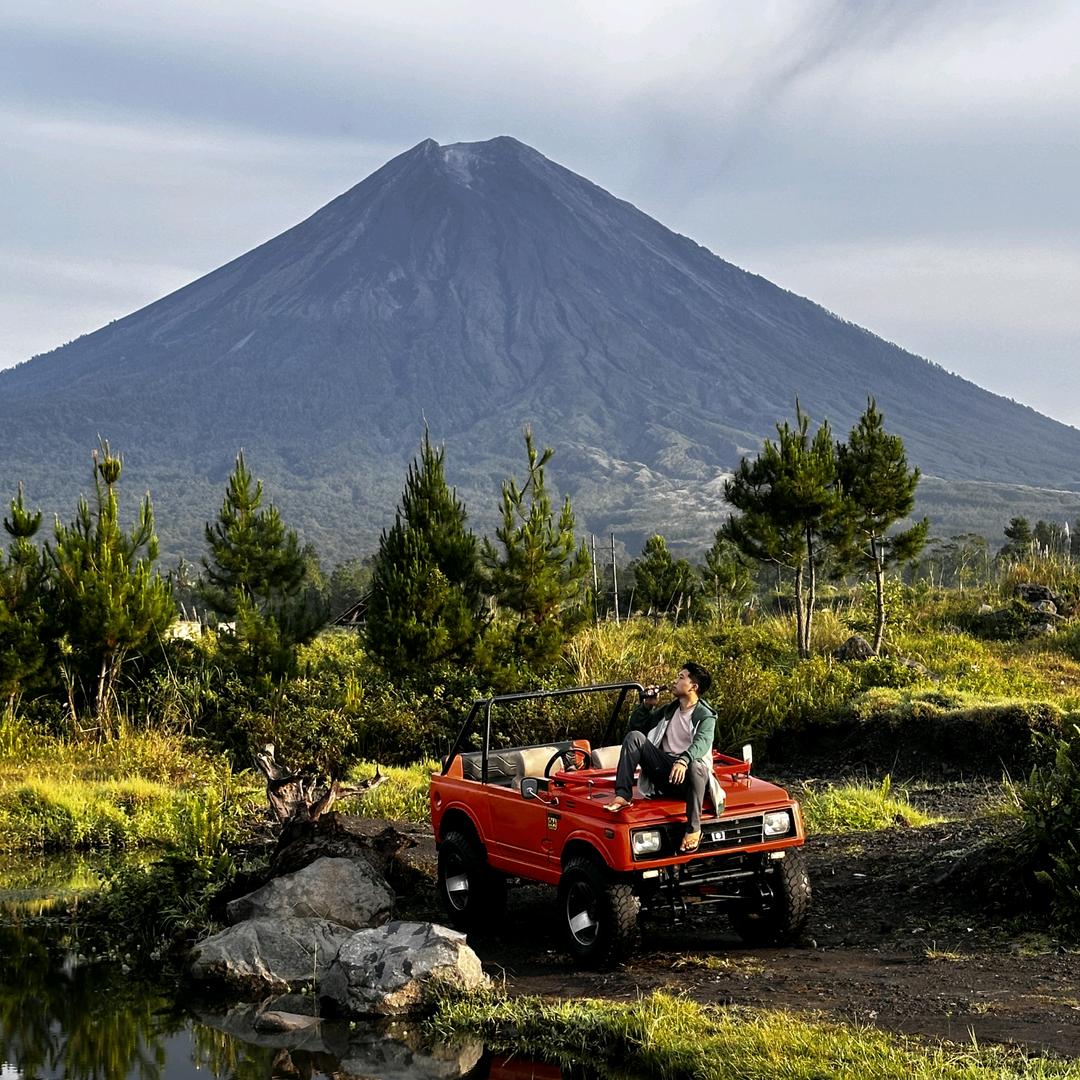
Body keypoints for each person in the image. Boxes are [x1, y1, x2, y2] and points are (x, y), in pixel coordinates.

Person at [603, 662, 718, 853]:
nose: (675, 680)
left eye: (681, 677)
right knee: (634, 738)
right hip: (665, 770)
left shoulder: (706, 716)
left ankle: (694, 829)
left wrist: (684, 759)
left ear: (693, 687)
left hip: (690, 777)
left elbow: (702, 742)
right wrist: (647, 706)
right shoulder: (669, 710)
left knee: (697, 765)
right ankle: (623, 795)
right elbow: (639, 728)